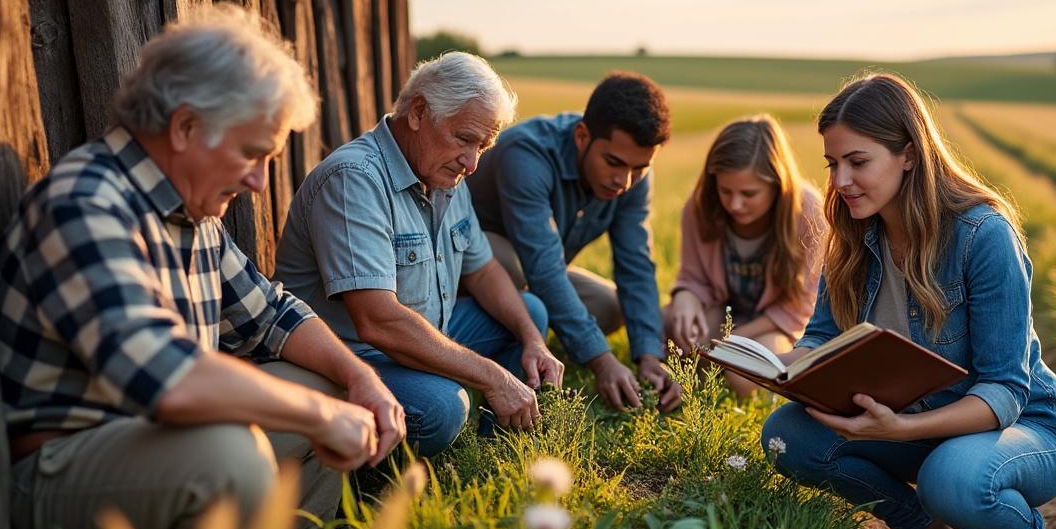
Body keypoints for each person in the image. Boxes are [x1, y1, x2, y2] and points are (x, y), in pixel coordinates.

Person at [0, 4, 405, 529]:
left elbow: (274, 317)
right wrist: (318, 416)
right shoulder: (86, 205)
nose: (260, 181)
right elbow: (167, 381)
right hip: (59, 472)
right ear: (186, 127)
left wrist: (361, 381)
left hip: (149, 442)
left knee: (327, 383)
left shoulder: (189, 213)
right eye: (252, 153)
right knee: (227, 456)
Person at [759, 73, 1056, 529]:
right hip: (908, 421)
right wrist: (768, 364)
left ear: (908, 154)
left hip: (1018, 429)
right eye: (832, 164)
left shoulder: (983, 236)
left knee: (950, 479)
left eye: (857, 162)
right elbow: (820, 338)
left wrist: (900, 428)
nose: (840, 181)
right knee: (788, 437)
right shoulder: (854, 235)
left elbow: (1003, 391)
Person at [274, 52, 563, 457]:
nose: (473, 162)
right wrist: (493, 377)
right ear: (418, 113)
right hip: (352, 359)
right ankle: (385, 476)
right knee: (442, 408)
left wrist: (534, 341)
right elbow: (378, 323)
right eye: (464, 139)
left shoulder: (445, 171)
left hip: (427, 330)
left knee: (529, 313)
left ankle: (493, 447)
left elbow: (483, 271)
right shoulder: (354, 180)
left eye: (483, 145)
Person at [468, 72, 682, 412]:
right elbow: (543, 266)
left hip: (538, 277)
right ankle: (508, 339)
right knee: (515, 266)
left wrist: (649, 354)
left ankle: (540, 332)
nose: (624, 181)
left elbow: (636, 264)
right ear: (582, 136)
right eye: (613, 163)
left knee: (609, 308)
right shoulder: (526, 153)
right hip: (480, 270)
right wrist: (602, 360)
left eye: (639, 168)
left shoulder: (632, 176)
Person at [664, 115, 825, 395]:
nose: (735, 204)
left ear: (777, 185)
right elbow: (692, 276)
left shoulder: (808, 212)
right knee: (676, 333)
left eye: (749, 193)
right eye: (725, 190)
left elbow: (799, 308)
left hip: (776, 325)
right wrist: (684, 299)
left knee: (745, 377)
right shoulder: (700, 207)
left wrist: (729, 342)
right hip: (720, 310)